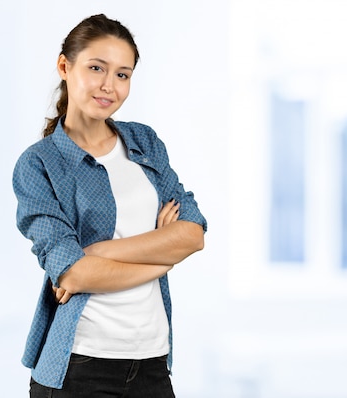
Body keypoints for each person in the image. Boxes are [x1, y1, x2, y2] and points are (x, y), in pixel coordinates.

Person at [12, 14, 207, 397]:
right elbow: (72, 273)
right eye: (96, 68)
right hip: (79, 367)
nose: (109, 85)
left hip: (152, 362)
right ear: (65, 66)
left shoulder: (144, 142)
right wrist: (163, 254)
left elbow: (193, 232)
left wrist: (99, 253)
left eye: (123, 74)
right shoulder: (39, 164)